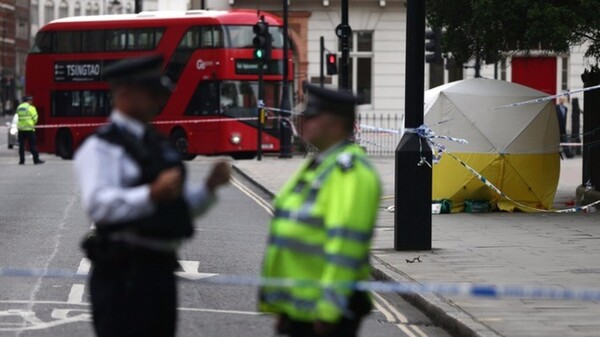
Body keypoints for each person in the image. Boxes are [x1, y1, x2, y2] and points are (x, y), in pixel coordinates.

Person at [74, 55, 231, 337]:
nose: (158, 100)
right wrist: (150, 194)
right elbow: (99, 206)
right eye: (151, 93)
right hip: (123, 275)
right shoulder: (101, 147)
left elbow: (178, 207)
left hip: (160, 271)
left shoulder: (158, 144)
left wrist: (209, 188)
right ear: (124, 94)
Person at [258, 84, 381, 337]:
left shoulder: (351, 173)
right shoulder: (318, 165)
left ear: (336, 124)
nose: (303, 121)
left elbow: (345, 246)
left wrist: (329, 310)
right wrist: (281, 307)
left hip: (325, 314)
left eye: (312, 116)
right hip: (300, 308)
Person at [16, 95, 44, 165]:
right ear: (28, 100)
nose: (31, 101)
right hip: (29, 129)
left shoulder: (19, 107)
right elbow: (35, 118)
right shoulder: (31, 108)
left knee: (21, 146)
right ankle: (36, 160)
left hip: (21, 129)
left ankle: (21, 161)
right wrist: (32, 124)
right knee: (32, 145)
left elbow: (18, 117)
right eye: (31, 100)